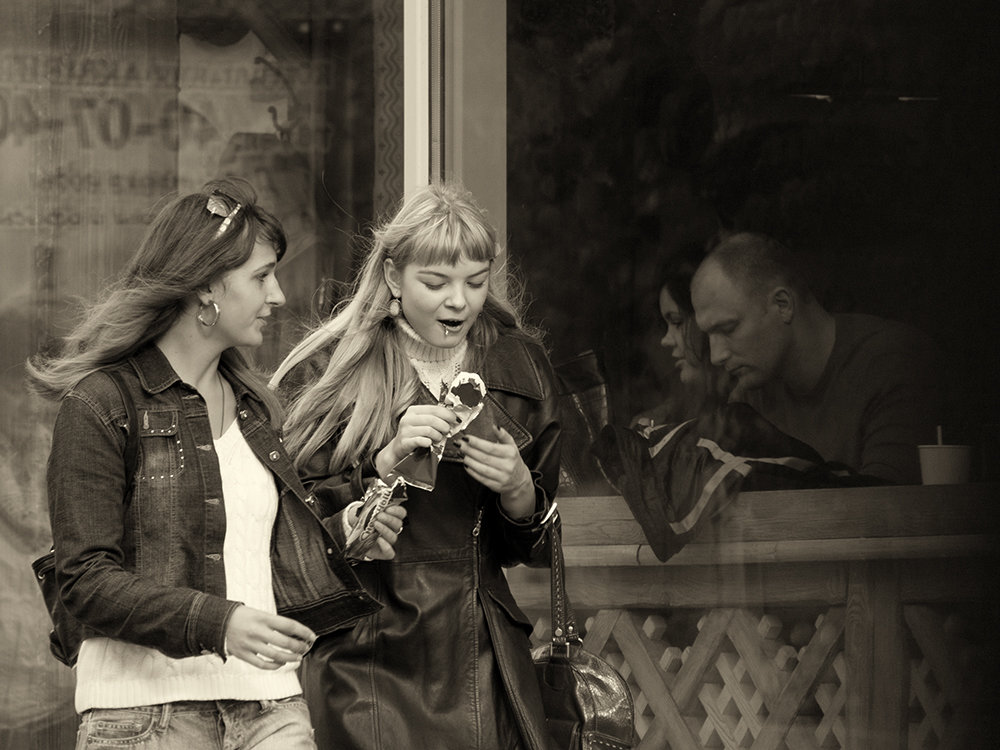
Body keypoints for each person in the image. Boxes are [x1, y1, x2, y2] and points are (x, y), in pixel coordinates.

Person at [25, 177, 405, 749]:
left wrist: (346, 529)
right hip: (143, 716)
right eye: (261, 276)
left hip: (271, 706)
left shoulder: (257, 409)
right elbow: (85, 582)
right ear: (207, 286)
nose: (278, 295)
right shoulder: (101, 404)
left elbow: (256, 554)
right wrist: (219, 622)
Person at [271, 181, 561, 750]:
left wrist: (518, 489)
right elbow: (287, 526)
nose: (459, 302)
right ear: (393, 277)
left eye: (475, 282)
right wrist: (379, 465)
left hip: (481, 649)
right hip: (363, 653)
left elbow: (532, 547)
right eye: (436, 282)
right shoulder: (332, 367)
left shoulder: (520, 366)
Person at [690, 231, 942, 484]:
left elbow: (886, 501)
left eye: (728, 329)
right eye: (709, 335)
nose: (716, 356)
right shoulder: (753, 395)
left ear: (783, 304)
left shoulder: (891, 361)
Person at [632, 243, 731, 433]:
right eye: (665, 325)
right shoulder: (677, 408)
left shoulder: (751, 407)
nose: (665, 340)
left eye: (677, 321)